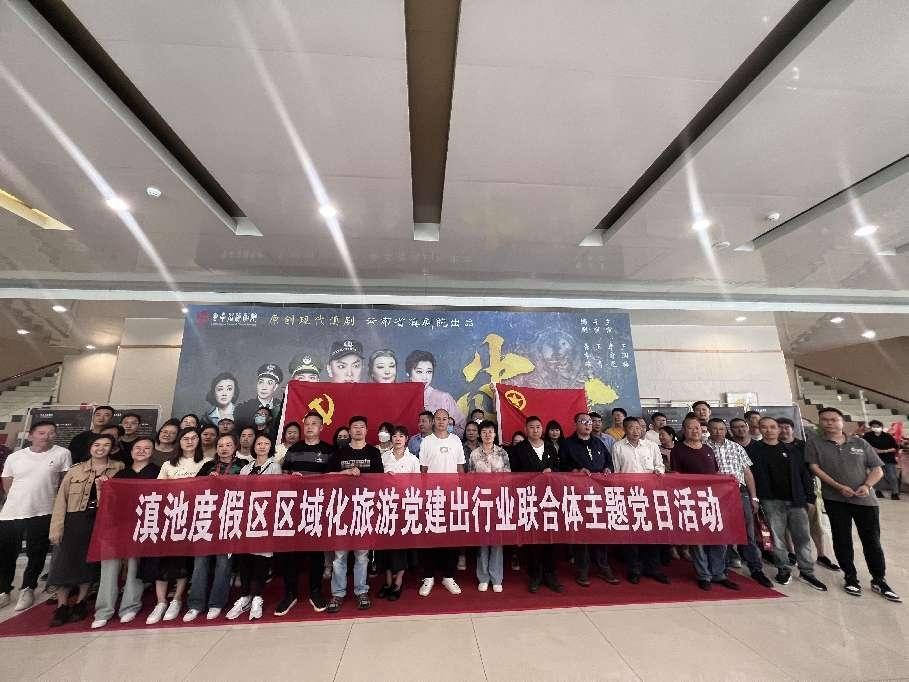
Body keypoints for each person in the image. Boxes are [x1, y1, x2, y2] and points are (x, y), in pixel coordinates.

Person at [806, 407, 900, 602]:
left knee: (872, 540)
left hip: (865, 500)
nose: (829, 423)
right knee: (842, 539)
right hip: (836, 500)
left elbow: (877, 469)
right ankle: (850, 577)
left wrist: (867, 485)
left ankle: (879, 579)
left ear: (842, 422)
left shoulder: (860, 442)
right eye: (824, 420)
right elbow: (815, 468)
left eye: (833, 419)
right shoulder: (815, 443)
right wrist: (838, 487)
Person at [47, 433, 123, 626]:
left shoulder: (119, 468)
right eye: (97, 444)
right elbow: (61, 501)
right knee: (65, 562)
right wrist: (56, 527)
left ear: (112, 448)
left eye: (106, 445)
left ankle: (81, 602)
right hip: (75, 519)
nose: (101, 448)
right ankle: (62, 605)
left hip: (101, 519)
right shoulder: (75, 470)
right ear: (90, 447)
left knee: (89, 562)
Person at [747, 417, 825, 590]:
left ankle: (807, 571)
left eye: (772, 427)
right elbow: (749, 475)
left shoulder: (792, 449)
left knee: (802, 537)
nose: (769, 430)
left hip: (796, 500)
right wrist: (756, 498)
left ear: (778, 429)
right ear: (759, 429)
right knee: (777, 538)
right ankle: (783, 568)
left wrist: (810, 498)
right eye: (764, 427)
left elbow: (805, 475)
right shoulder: (753, 450)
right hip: (770, 500)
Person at [0, 420, 71, 611]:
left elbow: (64, 482)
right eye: (41, 433)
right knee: (6, 554)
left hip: (44, 511)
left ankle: (28, 588)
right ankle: (4, 590)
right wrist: (19, 499)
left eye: (51, 432)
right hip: (12, 512)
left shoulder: (62, 454)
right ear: (31, 435)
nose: (46, 436)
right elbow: (7, 482)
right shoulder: (15, 457)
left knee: (37, 552)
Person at [92, 437, 159, 628]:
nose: (142, 451)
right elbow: (108, 503)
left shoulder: (157, 472)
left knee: (134, 567)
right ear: (131, 452)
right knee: (109, 566)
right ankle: (104, 610)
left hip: (143, 524)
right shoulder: (121, 474)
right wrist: (101, 488)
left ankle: (130, 606)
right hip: (117, 525)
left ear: (152, 452)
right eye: (138, 448)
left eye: (147, 448)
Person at [146, 428, 207, 624]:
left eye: (193, 438)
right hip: (170, 516)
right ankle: (161, 602)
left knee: (182, 561)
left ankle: (177, 599)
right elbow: (158, 491)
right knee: (163, 559)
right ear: (179, 442)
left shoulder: (206, 463)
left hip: (195, 517)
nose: (189, 441)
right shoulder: (168, 464)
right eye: (185, 438)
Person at [671, 416, 738, 591]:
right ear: (684, 430)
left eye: (698, 428)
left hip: (713, 499)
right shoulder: (678, 450)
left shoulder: (707, 449)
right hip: (692, 500)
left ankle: (718, 573)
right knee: (698, 539)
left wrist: (727, 479)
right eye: (691, 428)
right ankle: (703, 575)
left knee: (719, 536)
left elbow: (714, 473)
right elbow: (676, 476)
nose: (695, 430)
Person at [276, 411, 333, 616]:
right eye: (307, 423)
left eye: (314, 423)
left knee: (316, 552)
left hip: (317, 506)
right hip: (293, 507)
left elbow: (332, 479)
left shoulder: (328, 450)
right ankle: (290, 593)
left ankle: (315, 591)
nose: (309, 427)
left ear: (321, 427)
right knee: (290, 553)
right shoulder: (294, 450)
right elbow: (283, 476)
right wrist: (292, 477)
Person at [704, 419, 773, 588]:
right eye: (715, 429)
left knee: (747, 533)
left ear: (726, 430)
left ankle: (756, 569)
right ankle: (720, 571)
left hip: (739, 492)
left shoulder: (736, 447)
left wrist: (753, 497)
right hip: (715, 494)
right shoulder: (704, 447)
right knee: (720, 533)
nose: (718, 432)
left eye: (721, 429)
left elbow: (747, 473)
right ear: (709, 430)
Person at [326, 416, 384, 612]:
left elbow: (380, 480)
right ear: (349, 431)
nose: (358, 430)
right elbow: (327, 477)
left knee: (361, 555)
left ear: (366, 431)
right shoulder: (339, 453)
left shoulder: (373, 452)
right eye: (355, 427)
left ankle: (361, 591)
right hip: (342, 509)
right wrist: (345, 473)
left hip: (364, 509)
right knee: (339, 555)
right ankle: (338, 593)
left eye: (362, 427)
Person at [182, 434, 243, 623]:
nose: (224, 448)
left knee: (223, 563)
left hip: (229, 518)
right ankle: (195, 604)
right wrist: (207, 480)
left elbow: (248, 488)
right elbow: (194, 488)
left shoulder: (242, 466)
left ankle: (217, 602)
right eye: (220, 445)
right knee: (200, 562)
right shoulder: (208, 466)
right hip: (206, 518)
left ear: (235, 447)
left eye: (228, 445)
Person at [226, 434, 283, 620]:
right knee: (245, 557)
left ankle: (257, 597)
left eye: (266, 443)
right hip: (246, 517)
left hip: (264, 517)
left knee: (261, 559)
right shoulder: (246, 468)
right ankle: (244, 597)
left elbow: (277, 490)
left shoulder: (274, 466)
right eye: (259, 443)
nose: (262, 446)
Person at [560, 413, 618, 586]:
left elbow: (609, 461)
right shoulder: (567, 444)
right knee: (582, 532)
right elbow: (561, 466)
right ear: (576, 423)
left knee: (600, 530)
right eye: (583, 422)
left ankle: (603, 566)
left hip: (599, 493)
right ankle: (582, 570)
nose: (587, 425)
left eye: (589, 422)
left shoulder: (598, 443)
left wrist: (608, 469)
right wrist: (576, 471)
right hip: (578, 493)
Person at [612, 416, 670, 585]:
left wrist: (659, 471)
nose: (636, 431)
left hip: (650, 495)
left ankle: (653, 568)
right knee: (631, 534)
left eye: (638, 428)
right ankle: (634, 569)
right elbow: (616, 472)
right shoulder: (618, 447)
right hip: (628, 496)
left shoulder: (651, 446)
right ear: (625, 429)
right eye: (631, 428)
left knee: (652, 533)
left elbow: (659, 465)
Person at [509, 416, 563, 593]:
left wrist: (551, 471)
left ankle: (550, 574)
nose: (535, 430)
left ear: (542, 429)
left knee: (550, 537)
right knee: (533, 538)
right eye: (531, 427)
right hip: (530, 497)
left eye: (538, 427)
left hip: (549, 497)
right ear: (526, 429)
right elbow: (514, 474)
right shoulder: (519, 449)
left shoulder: (550, 447)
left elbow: (558, 468)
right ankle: (535, 575)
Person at [778, 418, 839, 572]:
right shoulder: (774, 446)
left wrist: (810, 495)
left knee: (814, 524)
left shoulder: (803, 446)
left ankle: (821, 554)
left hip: (807, 490)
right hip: (785, 493)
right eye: (780, 427)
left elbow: (812, 468)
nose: (783, 430)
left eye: (786, 427)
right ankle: (792, 553)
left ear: (793, 429)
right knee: (787, 526)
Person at [418, 409, 465, 597]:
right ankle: (428, 576)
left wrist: (461, 492)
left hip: (452, 496)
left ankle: (448, 576)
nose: (441, 421)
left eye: (444, 419)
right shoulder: (427, 441)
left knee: (451, 537)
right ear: (433, 421)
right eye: (437, 419)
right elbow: (423, 470)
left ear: (449, 421)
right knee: (430, 537)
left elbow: (460, 468)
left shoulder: (456, 441)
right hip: (432, 496)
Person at [378, 425, 420, 601]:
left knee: (401, 546)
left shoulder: (413, 460)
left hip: (405, 506)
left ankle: (398, 581)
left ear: (406, 439)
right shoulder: (383, 457)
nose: (397, 439)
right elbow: (375, 482)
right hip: (386, 506)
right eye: (394, 436)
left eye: (401, 436)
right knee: (386, 545)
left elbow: (417, 486)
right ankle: (388, 581)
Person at [469, 420, 511, 593]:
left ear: (495, 434)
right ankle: (483, 577)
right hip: (480, 500)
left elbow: (508, 476)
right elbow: (470, 477)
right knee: (482, 539)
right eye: (484, 431)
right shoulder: (474, 454)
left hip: (498, 499)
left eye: (490, 431)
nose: (487, 434)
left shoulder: (502, 453)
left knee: (497, 540)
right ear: (480, 434)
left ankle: (497, 577)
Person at [406, 350, 466, 433]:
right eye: (419, 372)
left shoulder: (443, 398)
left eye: (429, 372)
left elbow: (462, 427)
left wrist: (443, 434)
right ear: (408, 374)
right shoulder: (401, 397)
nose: (425, 377)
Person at [234, 363, 284, 429]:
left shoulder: (282, 408)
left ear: (275, 387)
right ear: (257, 384)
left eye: (269, 383)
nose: (264, 387)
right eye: (261, 382)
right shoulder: (243, 409)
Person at [863, 420, 900, 499]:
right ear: (871, 427)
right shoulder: (867, 435)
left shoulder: (887, 436)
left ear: (881, 427)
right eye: (874, 426)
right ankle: (878, 491)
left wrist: (884, 451)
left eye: (877, 426)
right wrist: (874, 450)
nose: (876, 428)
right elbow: (865, 446)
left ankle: (895, 493)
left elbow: (895, 447)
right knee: (877, 476)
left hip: (888, 458)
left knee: (892, 476)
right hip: (874, 459)